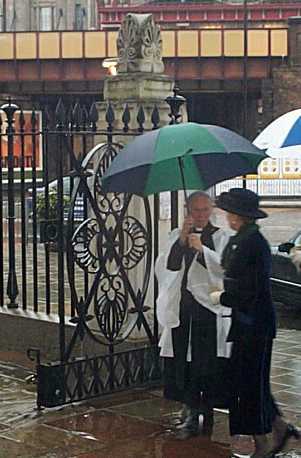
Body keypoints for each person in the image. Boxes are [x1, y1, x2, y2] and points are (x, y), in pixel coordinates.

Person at [210, 188, 300, 458]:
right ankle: (280, 428)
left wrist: (223, 296)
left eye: (229, 212)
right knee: (252, 382)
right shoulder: (241, 238)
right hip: (245, 323)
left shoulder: (254, 242)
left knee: (249, 385)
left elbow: (250, 289)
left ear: (238, 215)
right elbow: (229, 266)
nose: (226, 217)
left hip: (255, 325)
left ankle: (262, 442)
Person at [155, 191, 232, 440]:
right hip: (183, 307)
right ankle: (188, 406)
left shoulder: (221, 237)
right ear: (188, 210)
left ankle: (205, 407)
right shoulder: (176, 235)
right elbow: (168, 267)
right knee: (182, 359)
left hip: (207, 309)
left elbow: (222, 270)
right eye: (196, 210)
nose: (200, 215)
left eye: (204, 210)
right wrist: (181, 241)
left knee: (205, 360)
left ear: (211, 211)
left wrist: (202, 251)